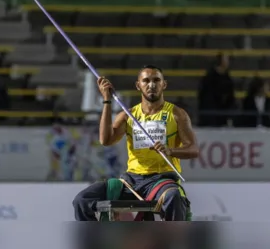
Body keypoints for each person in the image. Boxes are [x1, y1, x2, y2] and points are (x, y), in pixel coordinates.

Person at [72, 65, 199, 221]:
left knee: (174, 197)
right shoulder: (128, 115)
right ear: (138, 85)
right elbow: (105, 140)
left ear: (163, 84)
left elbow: (193, 149)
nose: (151, 85)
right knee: (82, 200)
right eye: (146, 80)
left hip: (161, 180)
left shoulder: (177, 114)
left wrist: (170, 151)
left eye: (156, 80)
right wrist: (107, 100)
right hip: (131, 181)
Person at [197, 53, 236, 127]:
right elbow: (204, 96)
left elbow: (230, 97)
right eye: (226, 60)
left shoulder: (228, 78)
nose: (228, 62)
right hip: (210, 115)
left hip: (223, 115)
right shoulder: (209, 78)